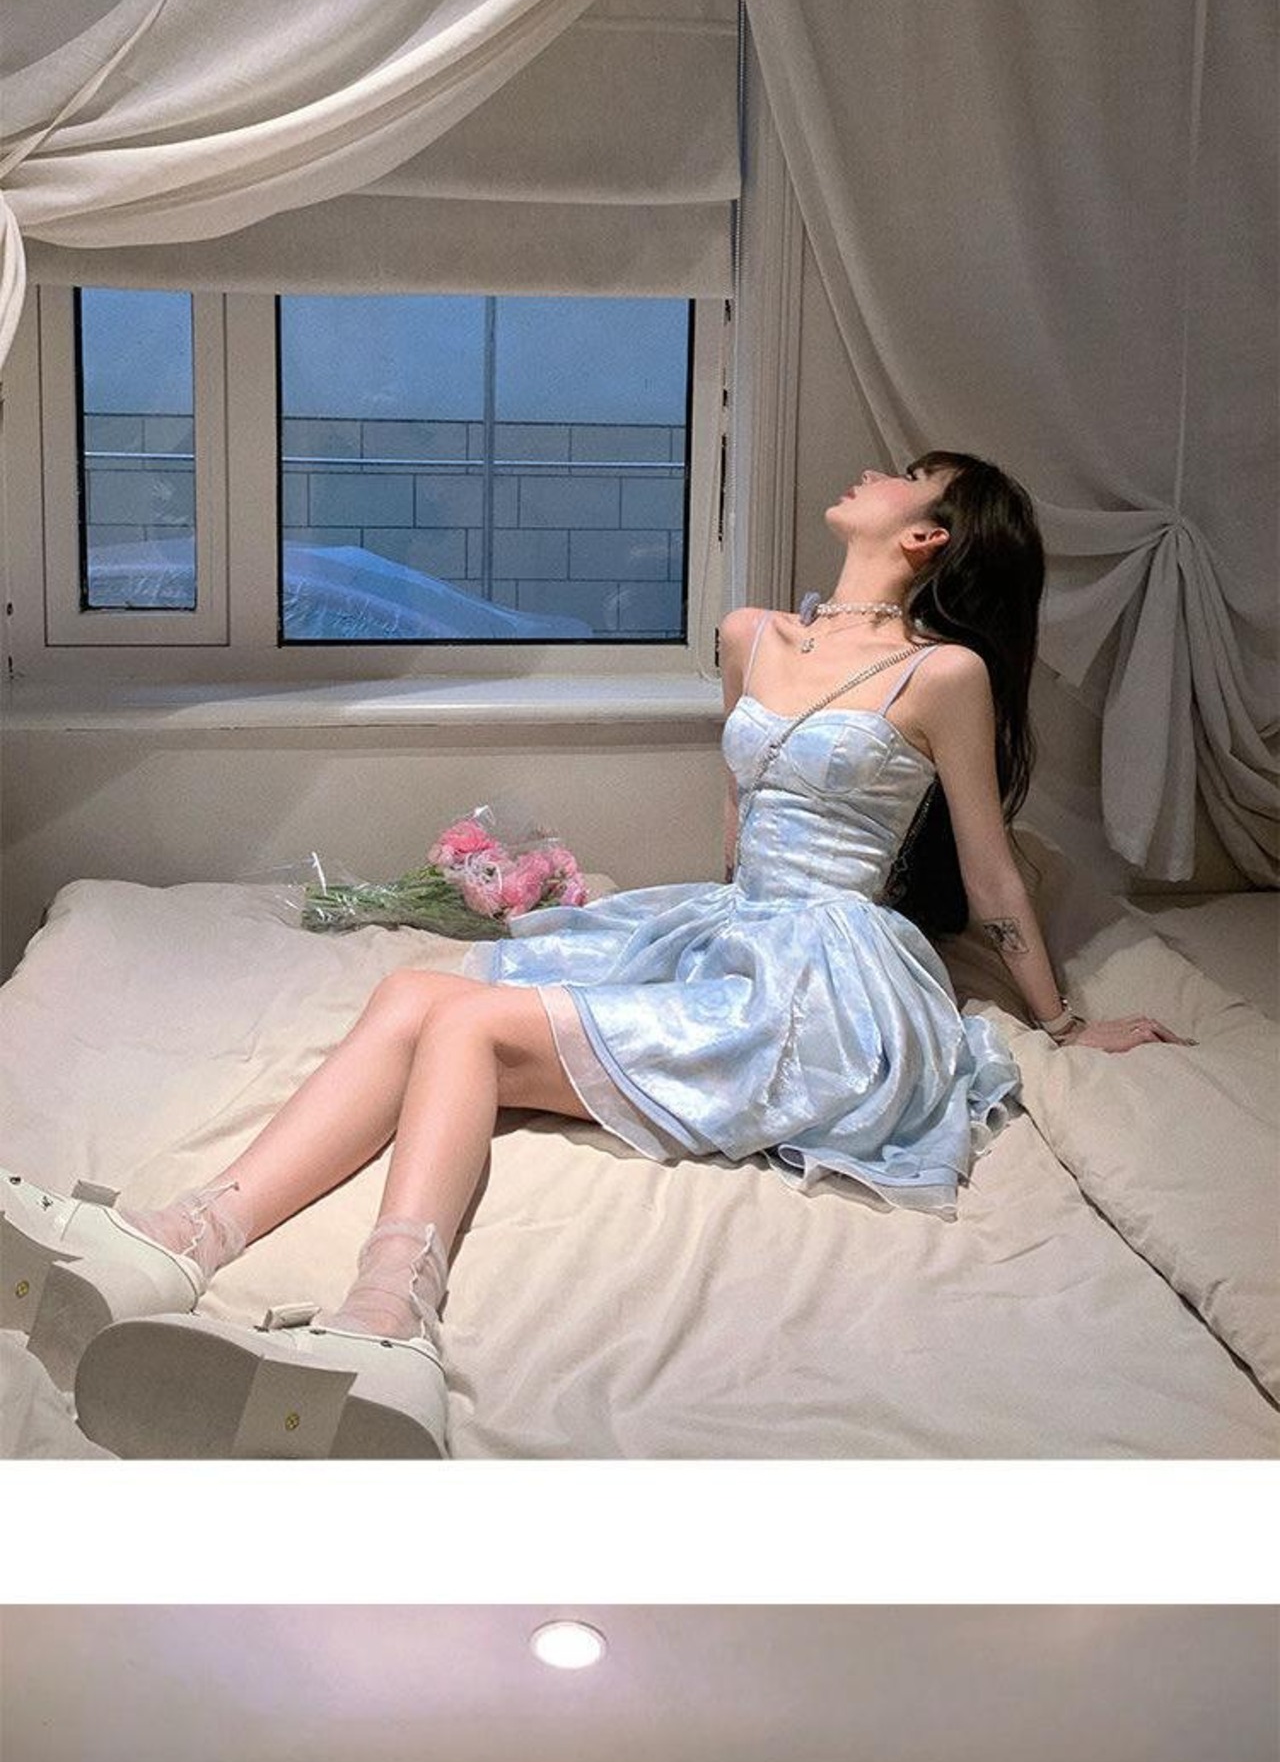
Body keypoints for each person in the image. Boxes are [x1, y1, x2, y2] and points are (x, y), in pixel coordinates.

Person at [4, 453, 1174, 1459]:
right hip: (734, 927)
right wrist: (690, 949)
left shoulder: (944, 674)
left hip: (828, 968)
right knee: (414, 989)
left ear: (926, 536)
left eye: (906, 476)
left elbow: (988, 872)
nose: (872, 473)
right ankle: (174, 1243)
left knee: (468, 1026)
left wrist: (1061, 1022)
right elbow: (738, 820)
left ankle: (389, 1323)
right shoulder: (752, 634)